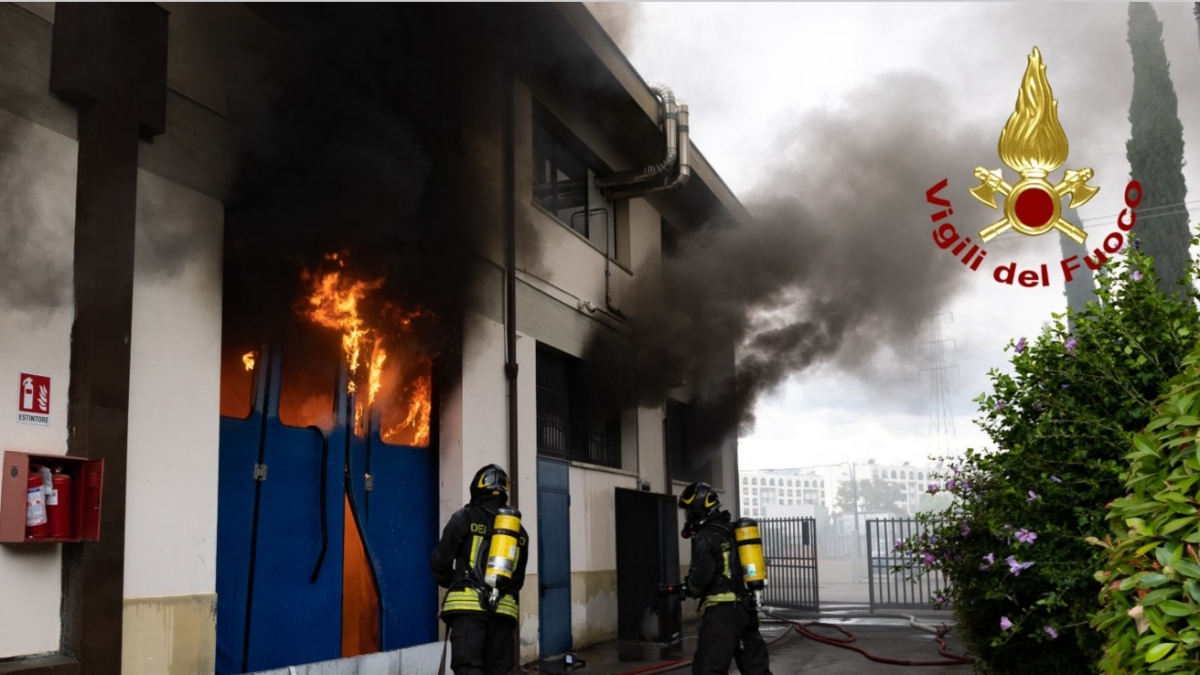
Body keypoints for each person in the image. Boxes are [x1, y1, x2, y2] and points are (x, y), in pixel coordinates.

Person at [431, 464, 529, 675]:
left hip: (469, 613)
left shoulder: (465, 517)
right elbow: (518, 581)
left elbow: (440, 562)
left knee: (468, 669)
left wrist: (455, 582)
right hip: (503, 615)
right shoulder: (519, 532)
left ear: (476, 488)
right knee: (498, 670)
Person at [678, 481, 772, 675]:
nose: (687, 517)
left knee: (708, 669)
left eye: (689, 511)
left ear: (697, 509)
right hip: (746, 609)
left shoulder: (706, 536)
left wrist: (689, 588)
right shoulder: (734, 530)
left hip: (722, 613)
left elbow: (700, 579)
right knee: (756, 669)